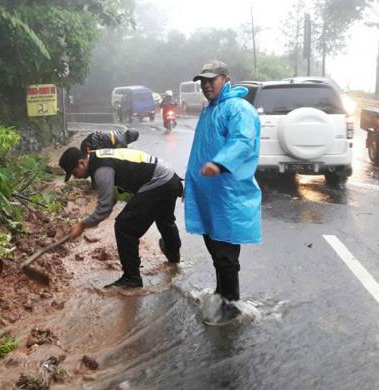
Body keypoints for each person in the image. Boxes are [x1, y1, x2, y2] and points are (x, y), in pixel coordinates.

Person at [184, 60, 261, 325]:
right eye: (203, 81)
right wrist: (191, 184)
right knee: (215, 248)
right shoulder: (210, 110)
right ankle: (222, 295)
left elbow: (241, 141)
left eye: (211, 80)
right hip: (208, 194)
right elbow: (200, 151)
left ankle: (231, 305)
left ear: (226, 79)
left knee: (226, 252)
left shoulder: (238, 109)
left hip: (228, 194)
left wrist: (219, 163)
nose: (206, 85)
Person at [59, 147, 182, 288]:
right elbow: (111, 199)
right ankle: (173, 255)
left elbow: (104, 208)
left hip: (158, 182)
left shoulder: (101, 170)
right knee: (164, 218)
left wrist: (82, 225)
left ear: (81, 163)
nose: (76, 176)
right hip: (170, 178)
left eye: (74, 172)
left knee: (124, 227)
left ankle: (131, 278)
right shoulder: (99, 159)